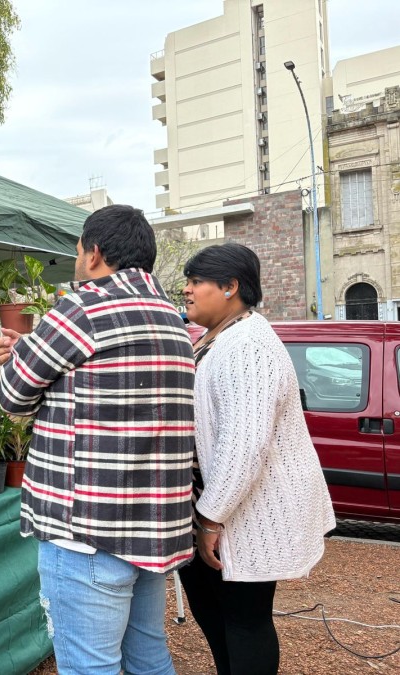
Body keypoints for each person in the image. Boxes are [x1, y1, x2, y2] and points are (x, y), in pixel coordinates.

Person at [0, 204, 196, 675]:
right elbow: (97, 384)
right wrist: (29, 351)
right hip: (151, 531)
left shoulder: (83, 308)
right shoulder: (171, 319)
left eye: (77, 250)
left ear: (93, 253)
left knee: (89, 667)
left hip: (87, 534)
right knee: (149, 659)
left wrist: (12, 359)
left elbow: (13, 396)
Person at [179, 243, 335, 675]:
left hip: (240, 513)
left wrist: (211, 516)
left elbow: (245, 445)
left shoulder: (248, 345)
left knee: (244, 619)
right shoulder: (218, 338)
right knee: (215, 613)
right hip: (215, 507)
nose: (187, 290)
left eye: (196, 282)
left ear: (230, 287)